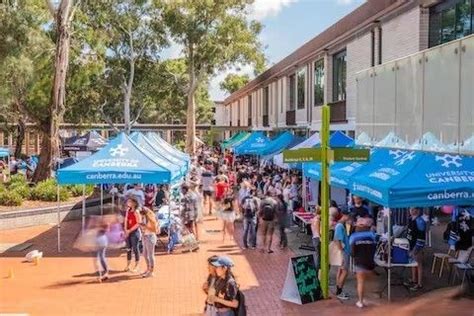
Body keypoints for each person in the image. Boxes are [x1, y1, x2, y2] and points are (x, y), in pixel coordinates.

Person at [350, 217, 376, 308]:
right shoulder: (372, 235)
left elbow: (352, 251)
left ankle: (360, 301)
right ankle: (368, 298)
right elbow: (375, 247)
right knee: (369, 281)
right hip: (370, 262)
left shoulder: (354, 236)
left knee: (360, 282)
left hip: (359, 262)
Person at [405, 207, 426, 291]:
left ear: (417, 210)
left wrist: (416, 248)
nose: (411, 211)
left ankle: (419, 283)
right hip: (410, 244)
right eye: (410, 209)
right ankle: (414, 279)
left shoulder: (420, 221)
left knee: (418, 264)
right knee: (412, 263)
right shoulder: (410, 219)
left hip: (417, 246)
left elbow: (421, 237)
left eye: (413, 209)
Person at [334, 208, 351, 300]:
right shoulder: (340, 226)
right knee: (344, 271)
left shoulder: (341, 225)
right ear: (344, 215)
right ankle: (339, 291)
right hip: (343, 252)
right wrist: (341, 252)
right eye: (348, 215)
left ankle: (339, 289)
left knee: (340, 271)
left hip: (343, 251)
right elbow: (338, 240)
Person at [124, 197, 142, 273]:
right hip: (128, 231)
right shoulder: (128, 210)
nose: (128, 203)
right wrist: (125, 230)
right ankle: (128, 265)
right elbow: (125, 220)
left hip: (135, 232)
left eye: (129, 201)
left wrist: (130, 230)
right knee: (128, 249)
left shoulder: (136, 212)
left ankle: (136, 266)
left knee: (135, 248)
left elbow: (139, 223)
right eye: (128, 202)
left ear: (134, 203)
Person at [140, 206, 158, 278]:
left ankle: (151, 271)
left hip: (150, 237)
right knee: (144, 254)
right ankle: (148, 269)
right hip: (145, 236)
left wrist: (145, 226)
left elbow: (154, 230)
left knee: (150, 255)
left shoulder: (151, 219)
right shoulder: (144, 218)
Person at [311, 207, 322, 271]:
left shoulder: (313, 219)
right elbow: (318, 231)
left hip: (314, 237)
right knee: (318, 255)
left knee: (317, 254)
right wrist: (320, 238)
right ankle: (317, 269)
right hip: (317, 238)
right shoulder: (318, 220)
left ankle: (317, 269)